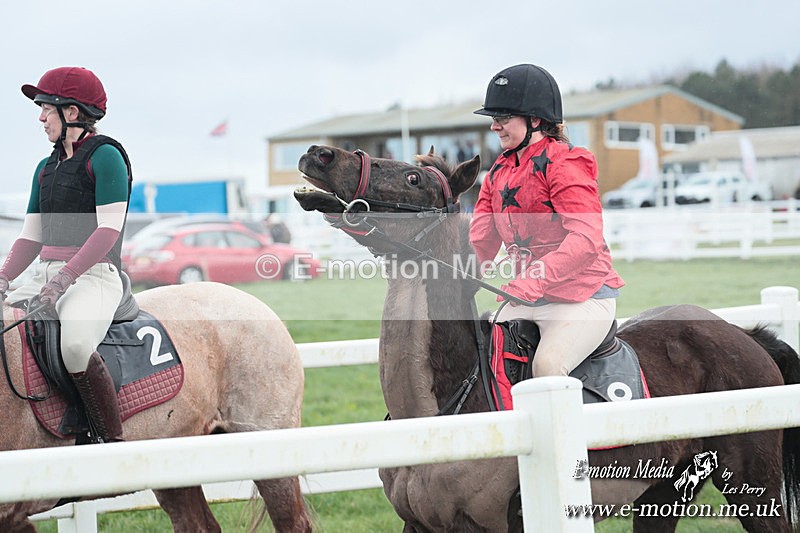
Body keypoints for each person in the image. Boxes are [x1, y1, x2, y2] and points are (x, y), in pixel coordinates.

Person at [0, 66, 132, 442]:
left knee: (75, 347)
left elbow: (108, 230)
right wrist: (4, 277)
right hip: (44, 275)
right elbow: (31, 237)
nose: (41, 117)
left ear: (71, 112)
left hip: (93, 276)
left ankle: (109, 439)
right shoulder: (44, 169)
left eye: (46, 108)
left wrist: (64, 278)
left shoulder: (106, 156)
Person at [469, 64, 624, 378]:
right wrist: (449, 280)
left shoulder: (566, 162)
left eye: (503, 118)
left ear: (535, 120)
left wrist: (533, 279)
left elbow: (586, 240)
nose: (494, 127)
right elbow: (480, 244)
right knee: (480, 362)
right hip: (526, 297)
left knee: (547, 366)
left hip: (583, 297)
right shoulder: (497, 173)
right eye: (493, 119)